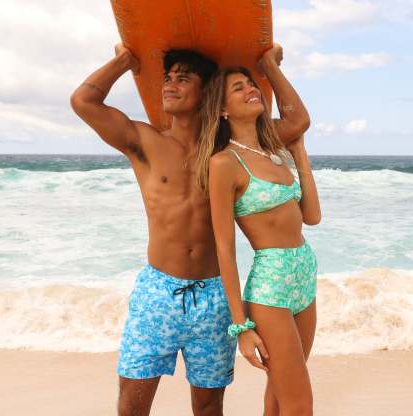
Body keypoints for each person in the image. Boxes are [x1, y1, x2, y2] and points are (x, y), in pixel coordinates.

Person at [70, 41, 308, 415]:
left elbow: (296, 124)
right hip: (158, 292)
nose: (170, 85)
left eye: (183, 79)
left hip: (214, 296)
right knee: (132, 405)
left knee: (209, 407)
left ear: (207, 92)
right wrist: (126, 60)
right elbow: (83, 101)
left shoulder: (229, 153)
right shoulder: (143, 140)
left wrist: (270, 68)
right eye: (167, 78)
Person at [197, 46, 321, 415]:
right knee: (300, 405)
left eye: (252, 84)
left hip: (305, 274)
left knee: (279, 398)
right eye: (238, 88)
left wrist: (299, 153)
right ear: (222, 109)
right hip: (271, 287)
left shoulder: (274, 152)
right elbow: (225, 249)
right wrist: (241, 328)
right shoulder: (224, 163)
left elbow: (312, 216)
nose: (251, 89)